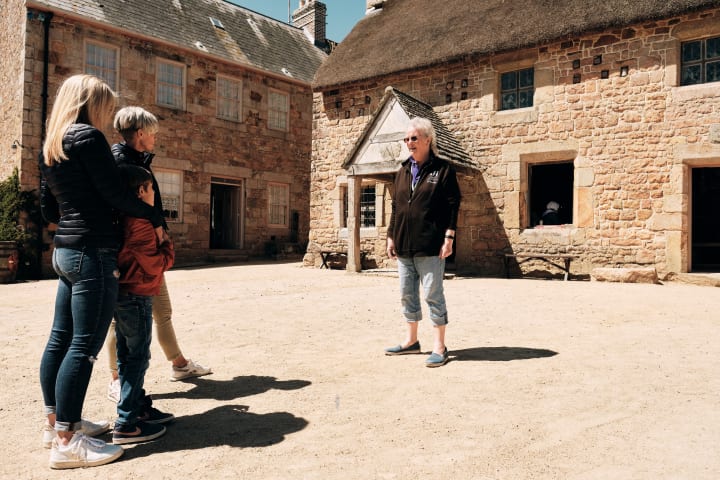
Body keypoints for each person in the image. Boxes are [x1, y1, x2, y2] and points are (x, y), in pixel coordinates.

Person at [39, 74, 164, 469]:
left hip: (65, 251)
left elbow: (48, 208)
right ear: (90, 102)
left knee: (60, 340)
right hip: (92, 251)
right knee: (83, 347)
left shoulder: (53, 142)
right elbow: (114, 193)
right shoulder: (88, 138)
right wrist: (152, 217)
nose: (107, 114)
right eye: (106, 106)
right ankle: (67, 441)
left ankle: (54, 423)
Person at [104, 106, 211, 403]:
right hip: (131, 252)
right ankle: (116, 379)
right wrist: (155, 226)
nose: (155, 138)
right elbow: (126, 208)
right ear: (140, 133)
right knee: (120, 320)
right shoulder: (119, 163)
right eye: (152, 133)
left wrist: (159, 229)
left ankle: (179, 364)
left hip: (149, 245)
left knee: (162, 310)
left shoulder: (138, 160)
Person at [385, 117, 461, 368]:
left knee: (432, 294)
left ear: (428, 140)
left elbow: (453, 205)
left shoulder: (443, 169)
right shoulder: (403, 170)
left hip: (431, 245)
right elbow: (396, 207)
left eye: (414, 138)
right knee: (407, 295)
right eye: (406, 139)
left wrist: (449, 237)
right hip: (404, 245)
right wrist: (390, 235)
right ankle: (411, 342)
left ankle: (440, 347)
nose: (409, 143)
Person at [112, 165, 175, 444]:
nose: (153, 194)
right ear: (140, 191)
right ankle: (127, 422)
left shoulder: (125, 217)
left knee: (128, 355)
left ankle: (136, 408)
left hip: (125, 293)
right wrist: (167, 245)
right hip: (137, 294)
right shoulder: (139, 222)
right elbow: (155, 263)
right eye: (151, 188)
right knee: (138, 357)